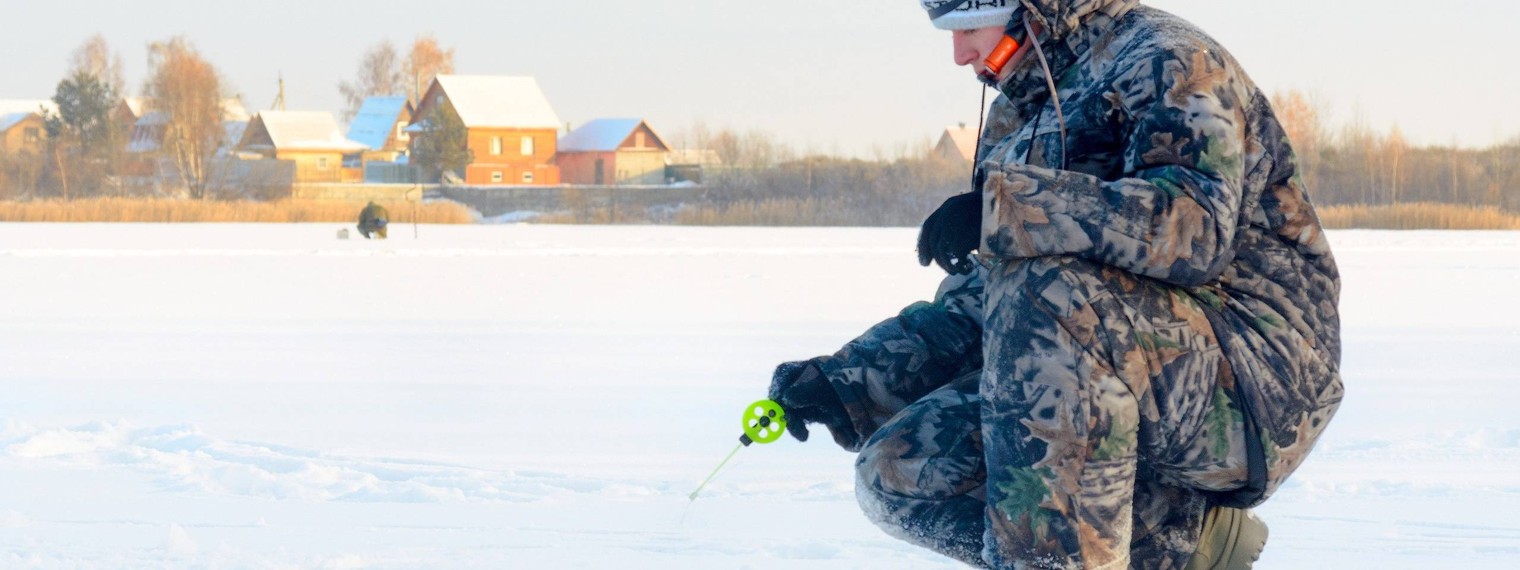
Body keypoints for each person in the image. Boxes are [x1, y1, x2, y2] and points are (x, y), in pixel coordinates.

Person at [767, 1, 1342, 568]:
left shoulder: (1172, 61)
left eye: (967, 27)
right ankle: (1179, 538)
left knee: (1052, 293)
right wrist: (850, 381)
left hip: (1256, 374)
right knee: (897, 469)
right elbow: (993, 301)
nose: (959, 53)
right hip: (1110, 349)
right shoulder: (1022, 113)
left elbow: (1192, 229)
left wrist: (1012, 207)